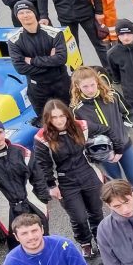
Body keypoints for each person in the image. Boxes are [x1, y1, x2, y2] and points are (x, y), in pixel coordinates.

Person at [29, 99, 106, 247]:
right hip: (65, 181)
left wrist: (113, 150)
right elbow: (42, 165)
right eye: (54, 117)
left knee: (96, 212)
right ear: (48, 119)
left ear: (68, 115)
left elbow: (105, 130)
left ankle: (102, 240)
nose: (59, 120)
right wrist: (51, 186)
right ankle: (85, 243)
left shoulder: (80, 126)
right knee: (79, 217)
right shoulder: (42, 138)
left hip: (88, 174)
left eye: (62, 116)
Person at [69, 65, 133, 186]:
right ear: (77, 86)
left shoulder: (112, 95)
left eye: (92, 84)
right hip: (103, 152)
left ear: (97, 81)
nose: (90, 89)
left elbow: (128, 112)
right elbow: (79, 134)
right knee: (117, 184)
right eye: (85, 86)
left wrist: (124, 131)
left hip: (124, 145)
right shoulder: (75, 109)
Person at [5, 2, 73, 114]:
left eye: (28, 12)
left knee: (71, 116)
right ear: (17, 16)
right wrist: (51, 63)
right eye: (21, 13)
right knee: (45, 122)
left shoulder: (55, 33)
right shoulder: (13, 40)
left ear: (34, 13)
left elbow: (61, 59)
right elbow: (20, 68)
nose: (25, 15)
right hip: (38, 89)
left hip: (61, 84)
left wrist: (32, 61)